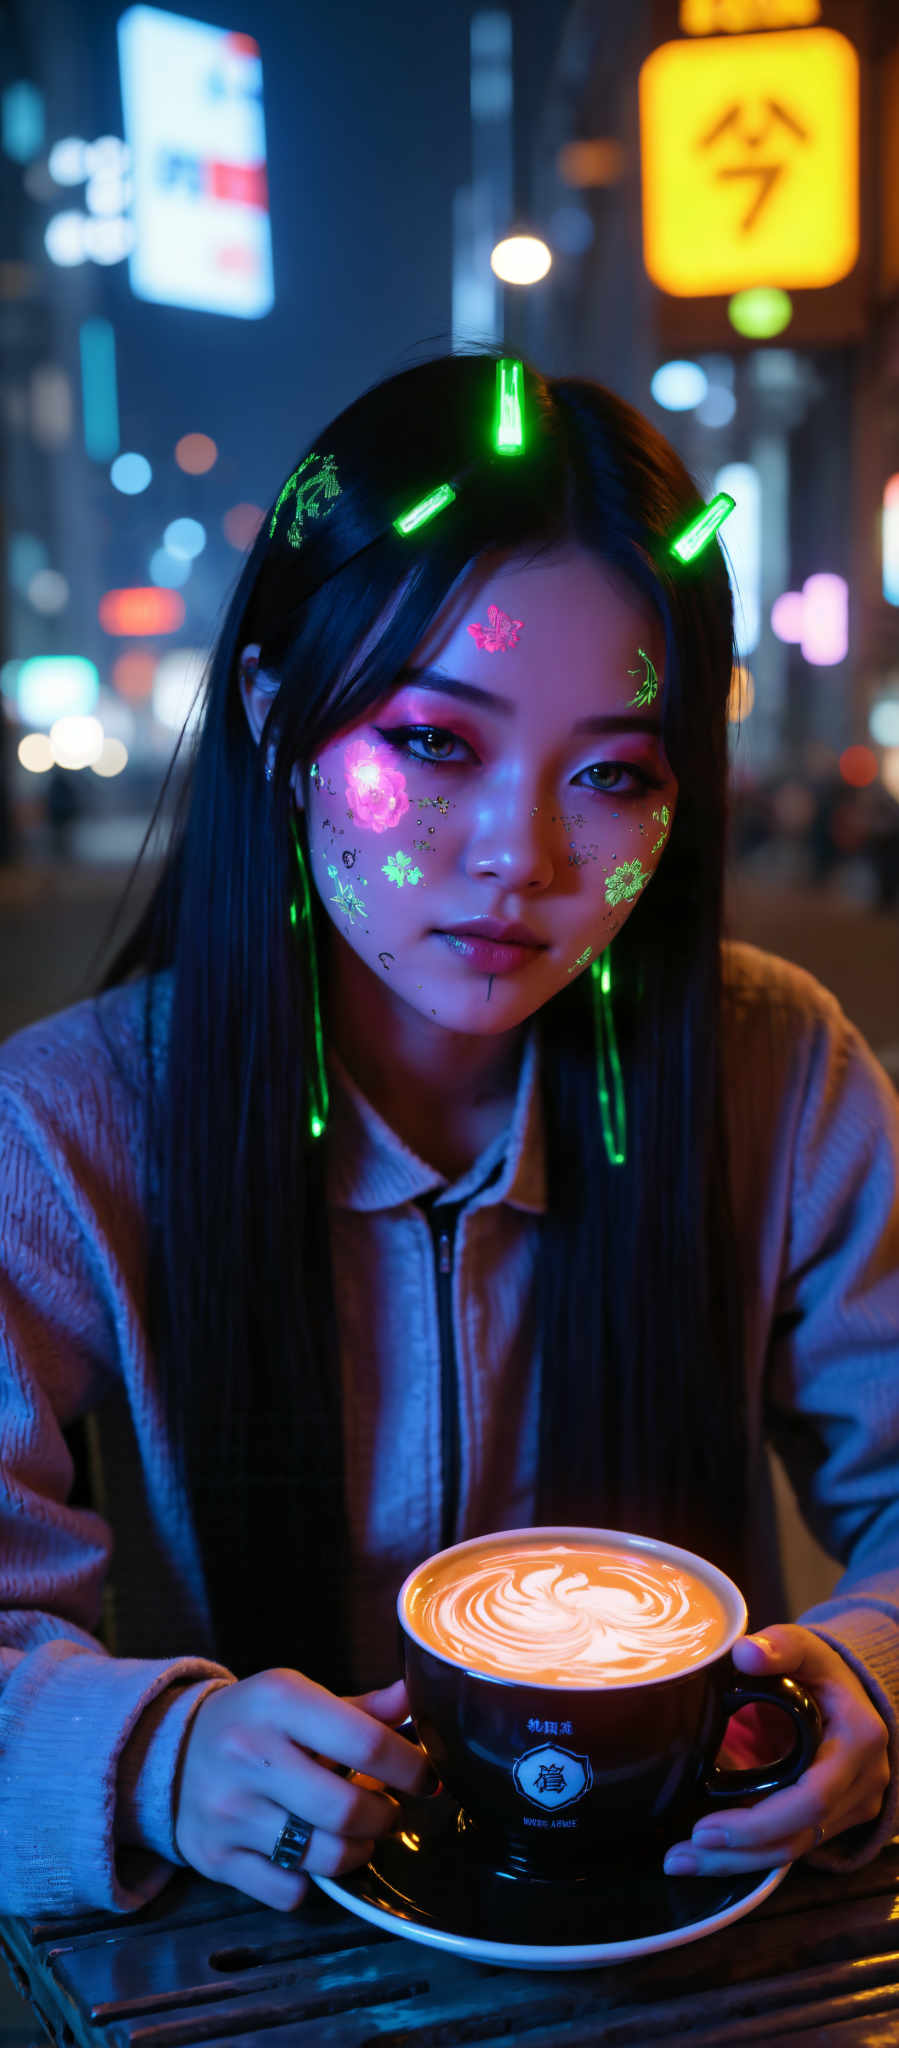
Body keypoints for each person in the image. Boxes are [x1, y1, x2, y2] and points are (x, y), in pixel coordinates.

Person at [0, 350, 896, 1921]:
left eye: (612, 774)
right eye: (434, 744)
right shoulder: (59, 1141)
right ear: (275, 714)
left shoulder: (779, 1073)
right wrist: (150, 1752)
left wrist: (873, 1682)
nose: (522, 858)